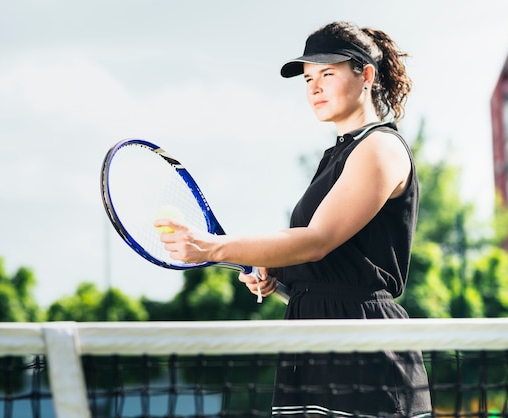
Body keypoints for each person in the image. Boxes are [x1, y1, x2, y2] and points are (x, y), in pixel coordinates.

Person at [155, 21, 432, 417]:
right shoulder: (338, 154)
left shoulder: (380, 148)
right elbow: (328, 255)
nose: (314, 88)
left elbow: (318, 240)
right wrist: (279, 272)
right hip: (311, 343)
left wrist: (212, 246)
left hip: (363, 349)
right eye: (307, 79)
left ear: (366, 75)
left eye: (328, 74)